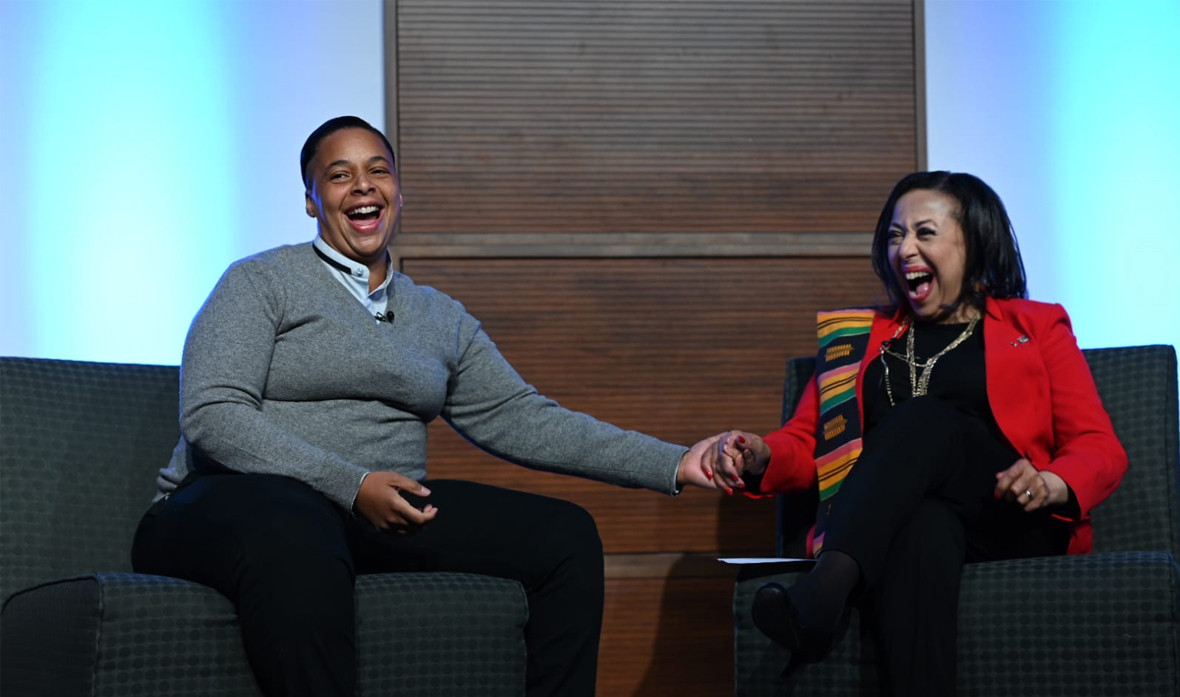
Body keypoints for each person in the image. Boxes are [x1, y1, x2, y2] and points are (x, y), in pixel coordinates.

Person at [131, 115, 721, 697]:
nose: (362, 185)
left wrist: (675, 462)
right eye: (339, 175)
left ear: (397, 193)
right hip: (230, 506)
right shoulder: (260, 282)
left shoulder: (439, 316)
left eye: (377, 171)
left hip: (372, 517)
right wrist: (351, 483)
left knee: (565, 535)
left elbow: (525, 418)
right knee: (295, 523)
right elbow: (214, 415)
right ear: (312, 201)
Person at [704, 171, 1126, 695]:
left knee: (925, 418)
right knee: (924, 523)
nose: (906, 248)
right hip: (911, 524)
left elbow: (1099, 446)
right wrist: (759, 455)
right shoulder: (856, 339)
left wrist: (1050, 482)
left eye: (925, 233)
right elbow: (810, 443)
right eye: (895, 235)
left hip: (1008, 513)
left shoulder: (1035, 326)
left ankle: (823, 593)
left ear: (974, 241)